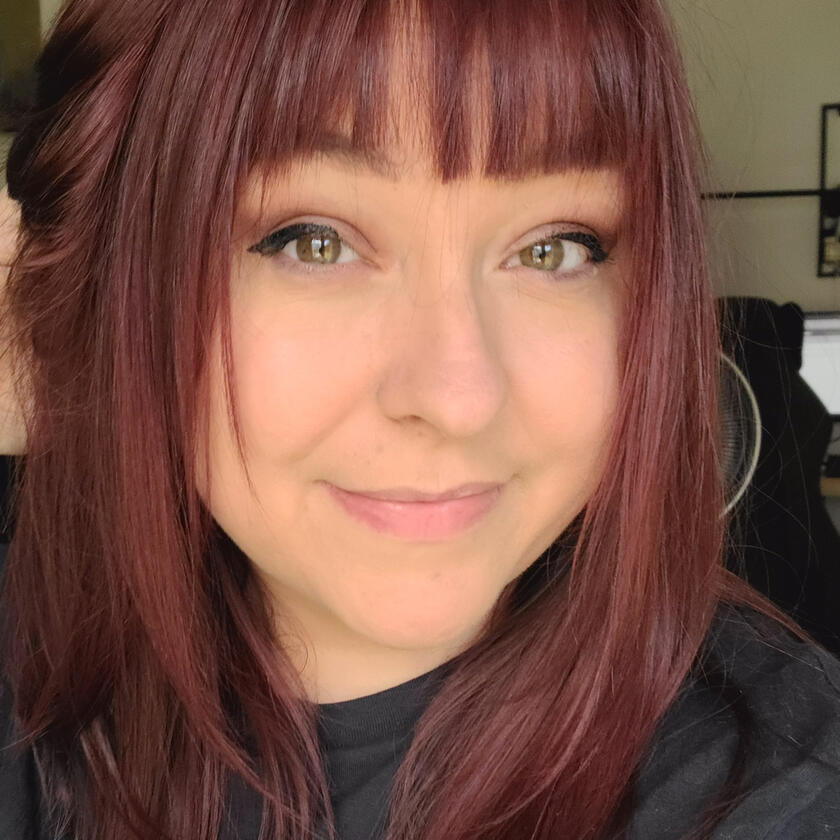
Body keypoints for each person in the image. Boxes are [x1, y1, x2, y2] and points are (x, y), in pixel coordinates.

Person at [0, 1, 838, 838]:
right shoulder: (35, 685)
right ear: (107, 289)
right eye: (312, 241)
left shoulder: (783, 794)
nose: (456, 399)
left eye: (553, 248)